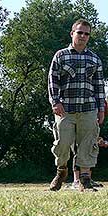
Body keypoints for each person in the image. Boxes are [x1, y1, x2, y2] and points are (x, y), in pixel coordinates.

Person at [48, 19, 106, 191]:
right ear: (72, 33)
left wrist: (101, 108)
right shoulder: (61, 55)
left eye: (86, 33)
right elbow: (53, 80)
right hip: (65, 109)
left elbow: (99, 86)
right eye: (80, 32)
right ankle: (61, 172)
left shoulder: (95, 59)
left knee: (88, 143)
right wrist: (55, 101)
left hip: (88, 108)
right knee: (62, 143)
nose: (83, 36)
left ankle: (85, 180)